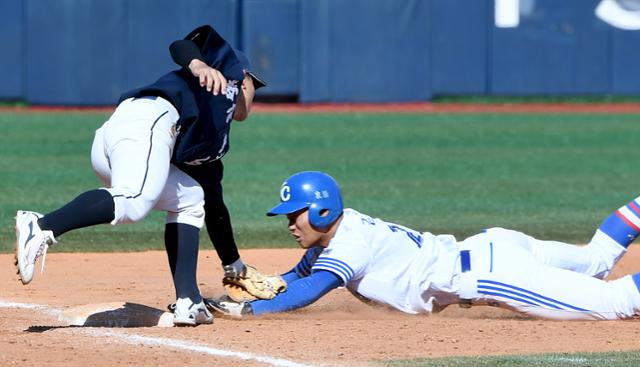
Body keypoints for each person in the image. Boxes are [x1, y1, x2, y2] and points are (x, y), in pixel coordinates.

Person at [14, 25, 280, 326]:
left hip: (123, 137)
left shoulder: (209, 132)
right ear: (242, 79)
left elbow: (213, 204)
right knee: (134, 202)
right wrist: (198, 63)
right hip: (148, 122)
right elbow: (183, 45)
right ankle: (42, 225)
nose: (253, 92)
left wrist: (234, 265)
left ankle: (189, 302)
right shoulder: (215, 78)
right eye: (253, 83)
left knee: (192, 198)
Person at [207, 171, 640, 321]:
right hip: (496, 245)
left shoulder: (348, 245)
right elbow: (298, 276)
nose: (289, 223)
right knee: (595, 260)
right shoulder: (346, 230)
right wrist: (254, 288)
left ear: (321, 212)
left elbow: (311, 290)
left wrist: (251, 309)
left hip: (496, 275)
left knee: (616, 301)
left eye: (294, 213)